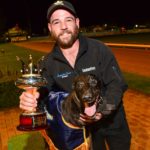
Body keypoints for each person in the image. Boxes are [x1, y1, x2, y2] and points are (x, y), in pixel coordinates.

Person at [19, 0, 131, 149]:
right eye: (56, 22)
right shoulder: (47, 64)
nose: (63, 26)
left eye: (68, 20)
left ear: (77, 23)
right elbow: (43, 97)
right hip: (84, 131)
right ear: (50, 27)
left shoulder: (99, 49)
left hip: (113, 122)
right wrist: (30, 99)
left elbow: (116, 85)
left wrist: (101, 112)